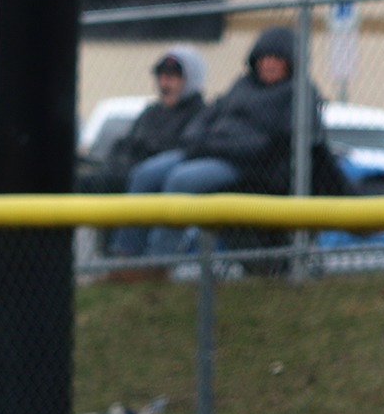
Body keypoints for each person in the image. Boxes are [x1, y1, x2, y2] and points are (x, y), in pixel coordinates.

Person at [111, 25, 321, 257]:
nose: (269, 64)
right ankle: (126, 256)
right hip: (207, 151)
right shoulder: (243, 85)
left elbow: (271, 143)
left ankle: (159, 260)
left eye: (277, 58)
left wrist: (221, 146)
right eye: (265, 57)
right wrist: (197, 139)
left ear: (291, 62)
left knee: (181, 180)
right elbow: (206, 118)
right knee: (145, 174)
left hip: (242, 164)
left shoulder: (298, 92)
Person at [79, 47, 207, 194]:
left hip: (147, 181)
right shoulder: (152, 112)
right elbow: (125, 144)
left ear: (191, 80)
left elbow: (177, 152)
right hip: (124, 172)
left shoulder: (200, 115)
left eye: (172, 77)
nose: (164, 84)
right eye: (161, 76)